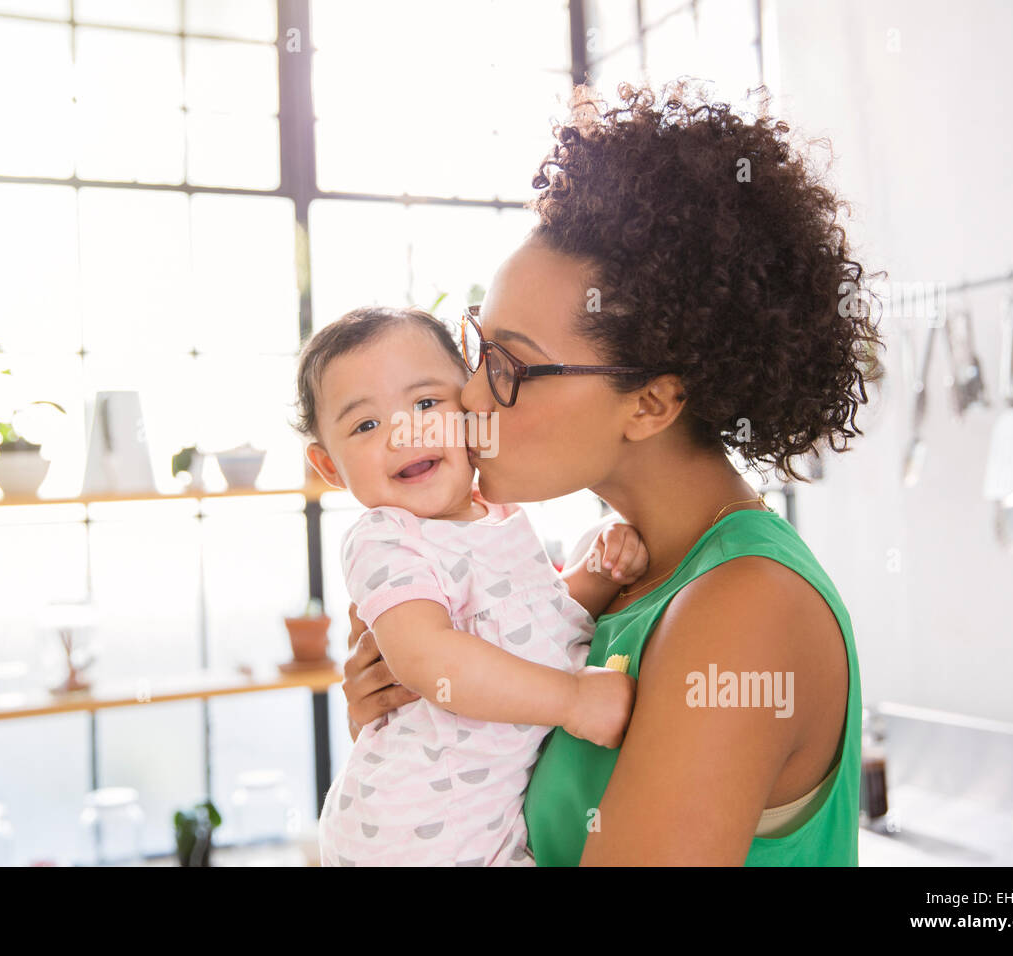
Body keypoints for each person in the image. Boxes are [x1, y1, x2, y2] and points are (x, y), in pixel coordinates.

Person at [340, 81, 883, 865]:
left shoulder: (743, 611)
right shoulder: (608, 576)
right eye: (475, 348)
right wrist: (412, 743)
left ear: (652, 403)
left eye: (510, 365)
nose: (463, 395)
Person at [293, 305, 650, 865]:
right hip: (410, 831)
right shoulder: (386, 538)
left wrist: (599, 572)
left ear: (471, 406)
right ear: (330, 467)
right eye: (365, 424)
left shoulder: (501, 513)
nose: (404, 432)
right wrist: (574, 700)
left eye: (427, 403)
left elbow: (533, 624)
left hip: (482, 825)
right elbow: (428, 658)